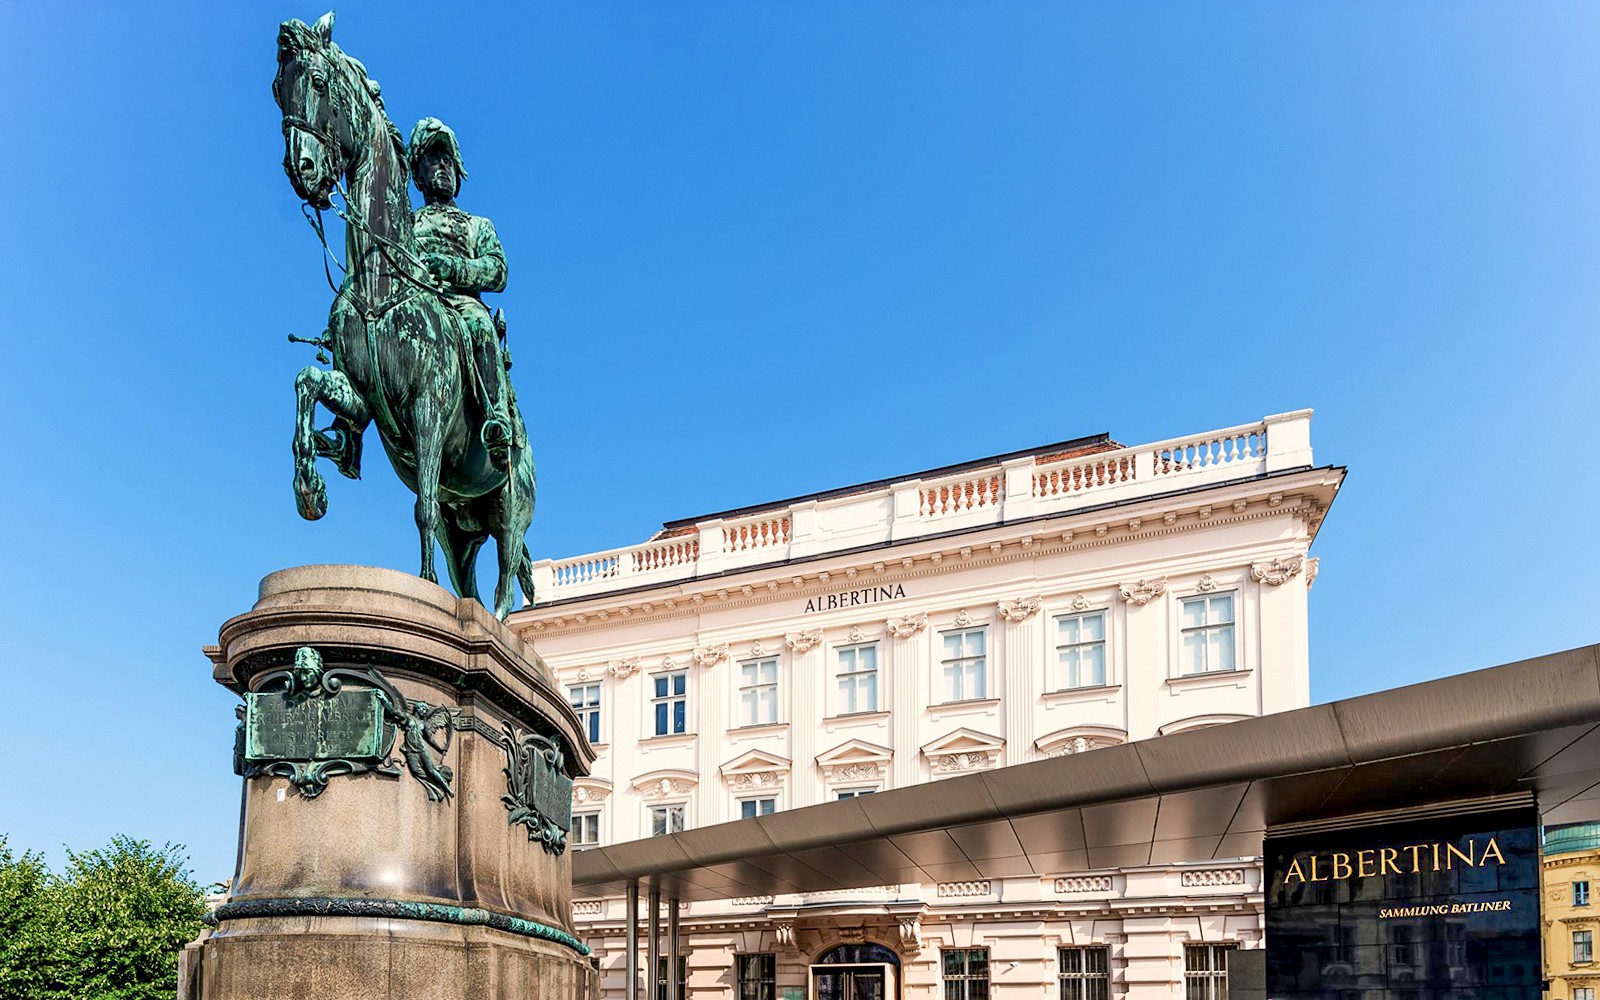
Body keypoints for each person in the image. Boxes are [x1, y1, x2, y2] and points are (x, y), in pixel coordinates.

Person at [408, 117, 513, 462]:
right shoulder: (405, 222)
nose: (442, 165)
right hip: (416, 303)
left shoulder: (477, 225)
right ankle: (350, 429)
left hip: (461, 306)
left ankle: (497, 419)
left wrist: (454, 267)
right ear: (418, 174)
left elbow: (498, 271)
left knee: (481, 327)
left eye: (448, 160)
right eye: (433, 158)